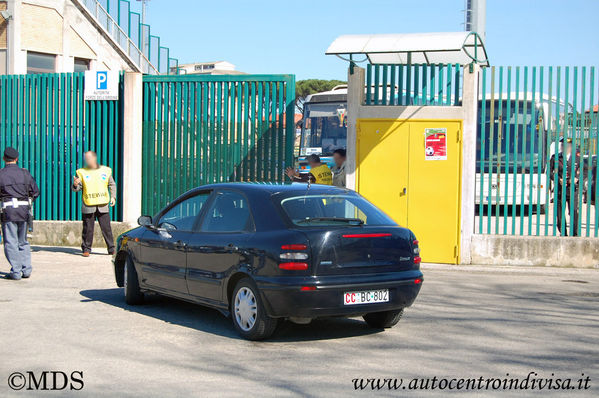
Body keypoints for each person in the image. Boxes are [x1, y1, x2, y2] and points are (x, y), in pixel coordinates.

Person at [0, 147, 40, 280]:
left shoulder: (1, 174)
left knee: (11, 241)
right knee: (23, 241)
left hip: (8, 211)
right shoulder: (25, 173)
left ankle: (16, 272)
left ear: (4, 158)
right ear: (17, 159)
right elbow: (35, 192)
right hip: (24, 212)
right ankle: (26, 270)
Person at [72, 151, 117, 256]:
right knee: (88, 228)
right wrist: (75, 184)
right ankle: (86, 249)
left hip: (103, 204)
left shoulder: (105, 170)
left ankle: (111, 249)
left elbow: (112, 184)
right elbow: (77, 188)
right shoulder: (81, 172)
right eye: (86, 158)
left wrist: (113, 197)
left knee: (106, 228)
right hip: (88, 204)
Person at [550, 138, 580, 236]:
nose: (565, 147)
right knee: (560, 214)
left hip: (572, 190)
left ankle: (574, 234)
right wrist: (558, 179)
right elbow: (549, 173)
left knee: (574, 212)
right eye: (563, 145)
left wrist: (577, 178)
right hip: (560, 190)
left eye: (568, 145)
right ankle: (563, 233)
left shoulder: (577, 157)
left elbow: (584, 171)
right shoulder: (555, 158)